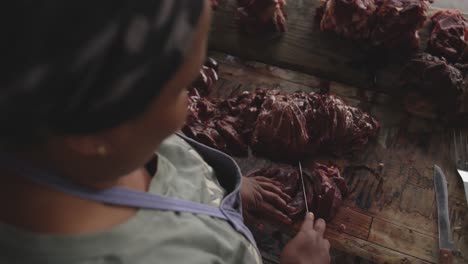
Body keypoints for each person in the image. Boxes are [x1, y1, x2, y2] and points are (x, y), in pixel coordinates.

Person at [0, 1, 331, 263]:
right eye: (181, 89)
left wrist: (218, 184)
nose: (191, 103)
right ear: (92, 135)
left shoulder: (66, 132)